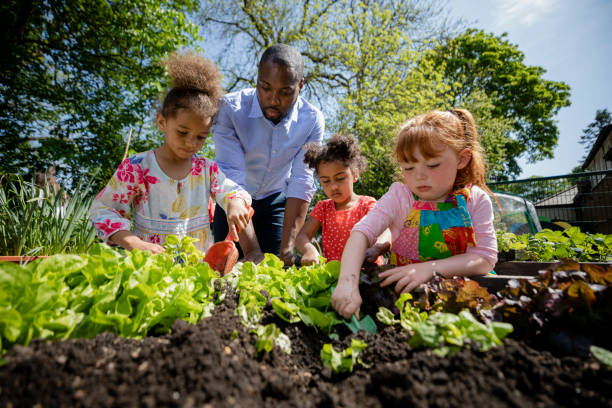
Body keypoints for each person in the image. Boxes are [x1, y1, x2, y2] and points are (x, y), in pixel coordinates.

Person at [332, 108, 498, 319]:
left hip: (461, 300)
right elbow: (361, 234)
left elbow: (484, 258)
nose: (419, 176)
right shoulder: (399, 196)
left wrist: (430, 269)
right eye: (408, 168)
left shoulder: (475, 200)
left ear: (462, 159)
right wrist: (347, 282)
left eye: (432, 165)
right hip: (405, 299)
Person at [90, 52, 252, 254]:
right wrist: (133, 243)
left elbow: (231, 190)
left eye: (201, 137)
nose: (191, 143)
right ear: (162, 122)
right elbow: (103, 210)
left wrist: (234, 202)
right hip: (150, 271)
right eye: (182, 132)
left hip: (196, 271)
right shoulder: (136, 167)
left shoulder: (206, 169)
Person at [212, 43, 324, 265]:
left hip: (275, 202)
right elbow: (232, 176)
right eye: (265, 87)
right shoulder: (229, 109)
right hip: (232, 202)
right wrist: (252, 249)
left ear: (300, 86)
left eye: (285, 92)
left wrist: (288, 249)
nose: (274, 99)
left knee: (278, 266)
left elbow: (301, 181)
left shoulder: (312, 120)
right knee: (225, 272)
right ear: (257, 78)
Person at [295, 134, 391, 265]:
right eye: (326, 181)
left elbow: (386, 232)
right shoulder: (323, 208)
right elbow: (302, 237)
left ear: (355, 175)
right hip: (336, 278)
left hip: (367, 274)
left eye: (340, 178)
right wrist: (309, 250)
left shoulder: (367, 204)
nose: (333, 186)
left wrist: (377, 248)